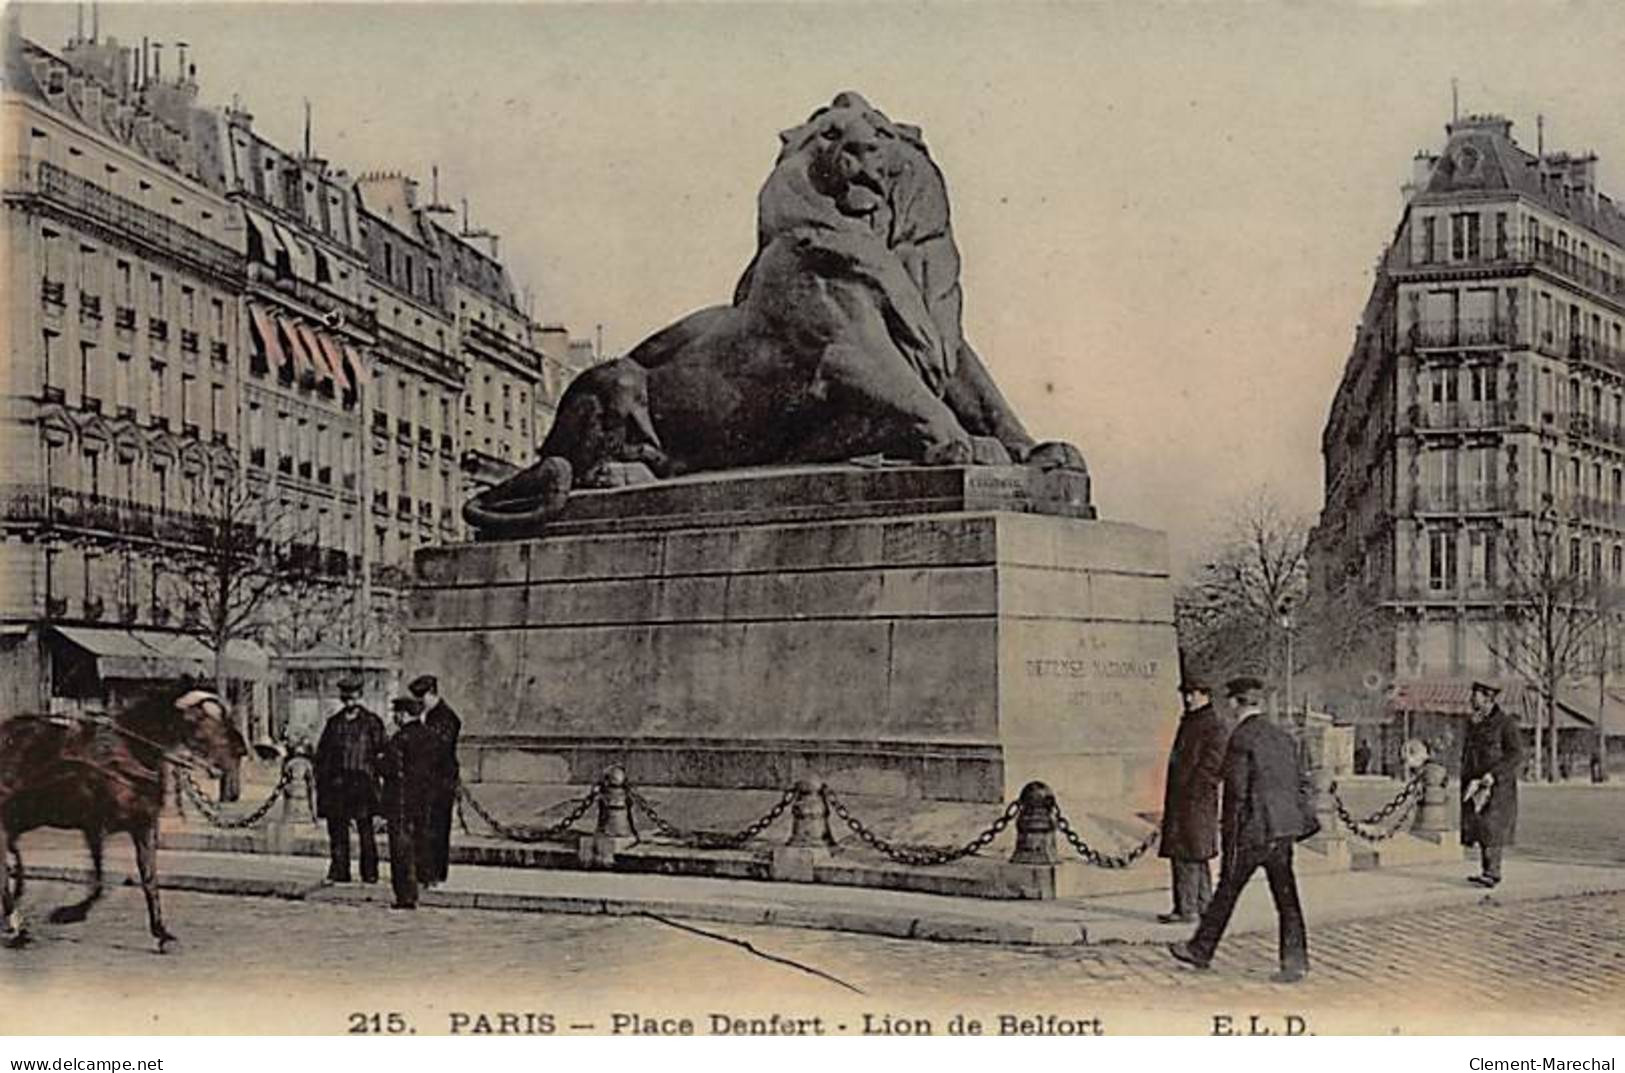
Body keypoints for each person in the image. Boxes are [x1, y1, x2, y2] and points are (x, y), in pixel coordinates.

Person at [1169, 676, 1318, 984]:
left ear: (1237, 703)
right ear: (1259, 703)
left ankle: (1201, 949)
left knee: (1226, 893)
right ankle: (1295, 962)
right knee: (1287, 900)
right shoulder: (1283, 737)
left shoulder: (1241, 739)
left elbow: (1236, 794)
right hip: (1282, 832)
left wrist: (1229, 839)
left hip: (1252, 833)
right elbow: (1302, 783)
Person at [1156, 674, 1231, 923]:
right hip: (1185, 800)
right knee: (1192, 854)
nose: (1188, 699)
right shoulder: (1192, 722)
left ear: (1205, 695)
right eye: (1186, 694)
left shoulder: (1212, 725)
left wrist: (1193, 791)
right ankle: (1201, 905)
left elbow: (1213, 765)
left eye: (1193, 694)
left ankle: (1187, 908)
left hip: (1195, 801)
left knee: (1190, 854)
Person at [313, 677, 388, 884]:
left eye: (353, 698)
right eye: (345, 698)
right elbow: (323, 754)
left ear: (360, 696)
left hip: (363, 784)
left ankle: (370, 872)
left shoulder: (372, 723)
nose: (349, 703)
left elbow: (382, 752)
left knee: (365, 831)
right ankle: (339, 870)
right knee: (337, 830)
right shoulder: (334, 723)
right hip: (338, 785)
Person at [1460, 680, 1523, 889]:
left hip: (1497, 787)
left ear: (1488, 698)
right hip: (1475, 783)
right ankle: (1486, 870)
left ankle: (1492, 872)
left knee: (1492, 827)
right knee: (1480, 827)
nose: (1471, 699)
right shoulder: (1474, 723)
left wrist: (1494, 774)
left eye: (1475, 695)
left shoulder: (1505, 723)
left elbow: (1516, 754)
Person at [382, 696, 438, 910]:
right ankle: (424, 879)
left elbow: (389, 768)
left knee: (401, 849)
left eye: (396, 713)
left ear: (403, 715)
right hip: (425, 799)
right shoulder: (431, 737)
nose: (394, 717)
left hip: (401, 800)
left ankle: (405, 895)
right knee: (421, 841)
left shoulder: (400, 738)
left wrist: (378, 761)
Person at [408, 674, 461, 887]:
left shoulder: (447, 718)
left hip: (440, 783)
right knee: (424, 828)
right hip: (425, 783)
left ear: (432, 694)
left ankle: (435, 873)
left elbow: (438, 749)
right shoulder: (428, 717)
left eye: (422, 700)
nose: (419, 705)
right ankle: (425, 872)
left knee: (437, 829)